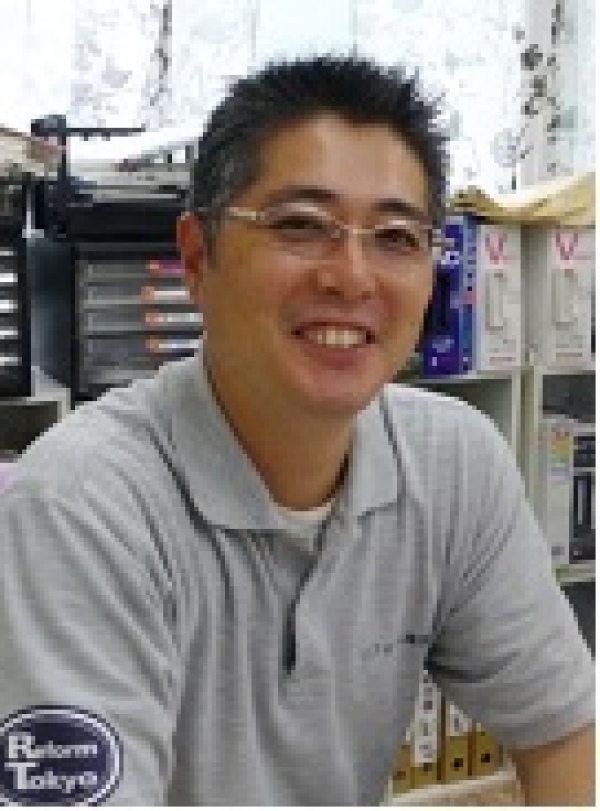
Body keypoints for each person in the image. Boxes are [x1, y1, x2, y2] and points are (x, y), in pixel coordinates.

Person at [0, 55, 594, 806]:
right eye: (300, 226)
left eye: (396, 236)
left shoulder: (456, 462)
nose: (351, 276)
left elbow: (566, 734)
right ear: (196, 257)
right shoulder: (80, 506)